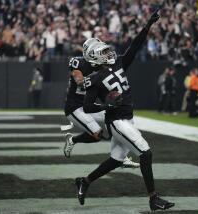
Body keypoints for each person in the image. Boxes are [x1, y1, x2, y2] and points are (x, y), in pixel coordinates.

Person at [78, 10, 175, 211]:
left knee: (115, 160)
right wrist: (107, 105)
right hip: (117, 122)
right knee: (145, 153)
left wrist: (148, 25)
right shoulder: (94, 79)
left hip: (127, 119)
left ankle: (85, 181)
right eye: (103, 52)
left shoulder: (119, 62)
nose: (108, 53)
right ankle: (153, 199)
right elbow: (87, 107)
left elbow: (136, 45)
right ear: (95, 58)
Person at [63, 38, 139, 168]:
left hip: (89, 105)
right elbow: (79, 80)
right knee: (96, 134)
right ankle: (72, 140)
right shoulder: (78, 63)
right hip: (75, 107)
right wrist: (94, 79)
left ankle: (121, 157)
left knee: (115, 120)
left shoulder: (103, 65)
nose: (104, 54)